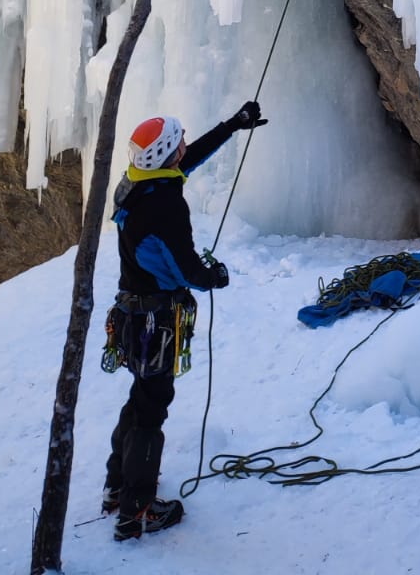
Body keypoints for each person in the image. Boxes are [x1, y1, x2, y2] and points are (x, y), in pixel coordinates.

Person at [103, 101, 266, 541]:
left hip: (131, 311)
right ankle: (137, 511)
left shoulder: (135, 184)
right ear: (165, 156)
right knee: (152, 407)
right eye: (177, 143)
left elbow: (183, 163)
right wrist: (216, 277)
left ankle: (116, 487)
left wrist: (233, 125)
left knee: (140, 396)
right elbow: (189, 269)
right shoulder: (168, 209)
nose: (184, 147)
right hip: (157, 319)